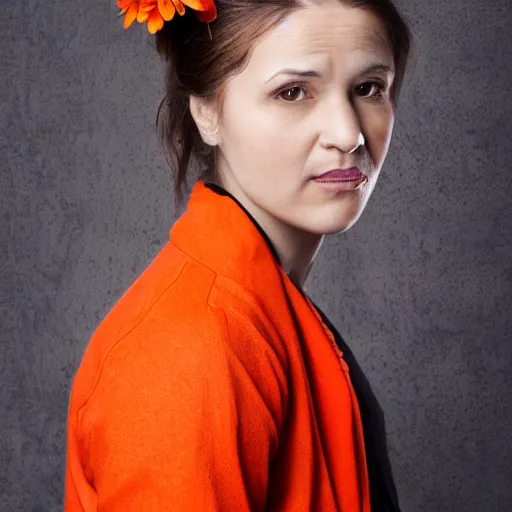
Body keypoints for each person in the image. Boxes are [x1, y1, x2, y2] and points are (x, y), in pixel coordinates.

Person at [64, 0, 412, 510]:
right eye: (293, 92)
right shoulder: (190, 348)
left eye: (369, 89)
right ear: (206, 111)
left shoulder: (263, 309)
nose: (348, 134)